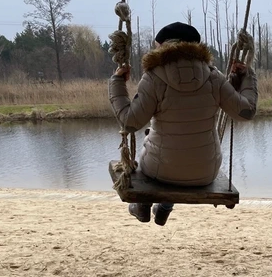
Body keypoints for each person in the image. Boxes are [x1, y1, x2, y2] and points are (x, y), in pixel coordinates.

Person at [108, 21, 258, 226]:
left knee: (151, 144)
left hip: (161, 171)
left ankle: (143, 205)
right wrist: (247, 77)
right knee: (172, 152)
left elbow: (130, 123)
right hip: (206, 172)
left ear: (162, 46)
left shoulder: (154, 77)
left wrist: (117, 83)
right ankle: (164, 208)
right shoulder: (214, 77)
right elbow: (246, 112)